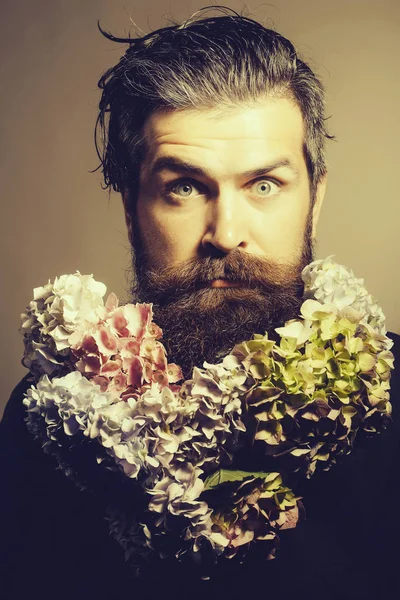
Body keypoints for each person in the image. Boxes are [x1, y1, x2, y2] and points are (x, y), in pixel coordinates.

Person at [1, 7, 399, 599]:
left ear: (313, 202)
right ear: (132, 211)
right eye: (184, 187)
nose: (225, 232)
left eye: (265, 185)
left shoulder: (392, 400)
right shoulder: (47, 422)